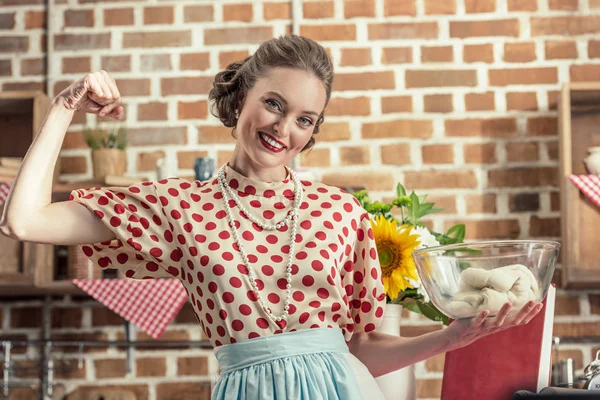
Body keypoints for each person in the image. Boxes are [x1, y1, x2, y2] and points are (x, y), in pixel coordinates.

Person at [0, 35, 544, 399]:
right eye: (275, 104)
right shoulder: (178, 207)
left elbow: (360, 349)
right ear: (240, 98)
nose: (285, 130)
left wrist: (452, 337)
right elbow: (24, 222)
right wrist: (65, 105)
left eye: (306, 119)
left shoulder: (341, 212)